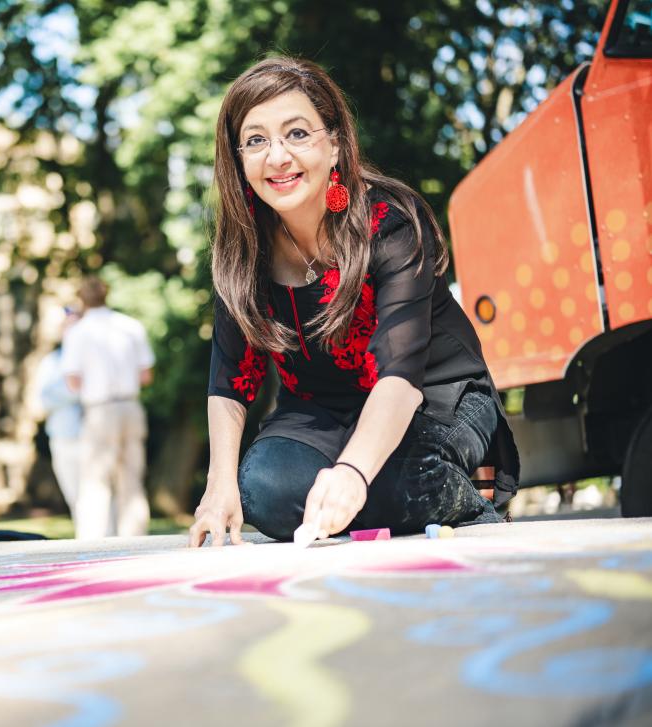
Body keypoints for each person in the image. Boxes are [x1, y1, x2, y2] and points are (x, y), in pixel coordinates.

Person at [189, 57, 519, 547]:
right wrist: (219, 488)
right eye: (256, 140)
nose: (277, 156)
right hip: (321, 411)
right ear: (238, 159)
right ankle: (374, 500)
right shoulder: (243, 248)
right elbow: (231, 378)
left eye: (297, 133)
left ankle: (473, 500)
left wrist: (351, 473)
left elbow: (401, 373)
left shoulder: (390, 221)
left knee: (403, 475)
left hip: (435, 396)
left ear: (335, 143)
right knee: (262, 489)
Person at [61, 276, 155, 539]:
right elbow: (146, 375)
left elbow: (72, 381)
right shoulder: (130, 326)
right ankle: (135, 537)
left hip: (100, 409)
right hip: (130, 406)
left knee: (95, 482)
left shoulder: (78, 332)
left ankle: (93, 540)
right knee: (132, 479)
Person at [34, 306, 83, 525]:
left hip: (89, 435)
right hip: (62, 435)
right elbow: (43, 398)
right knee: (73, 494)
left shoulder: (89, 359)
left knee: (94, 494)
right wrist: (73, 391)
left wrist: (66, 391)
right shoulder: (51, 361)